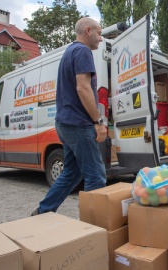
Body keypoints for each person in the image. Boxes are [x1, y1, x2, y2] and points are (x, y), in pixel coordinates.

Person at [31, 17, 107, 216]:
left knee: (72, 173)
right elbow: (83, 88)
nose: (101, 38)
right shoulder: (83, 51)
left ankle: (43, 211)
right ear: (88, 30)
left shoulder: (70, 51)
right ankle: (93, 227)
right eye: (99, 33)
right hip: (78, 124)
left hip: (65, 123)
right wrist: (98, 121)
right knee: (96, 176)